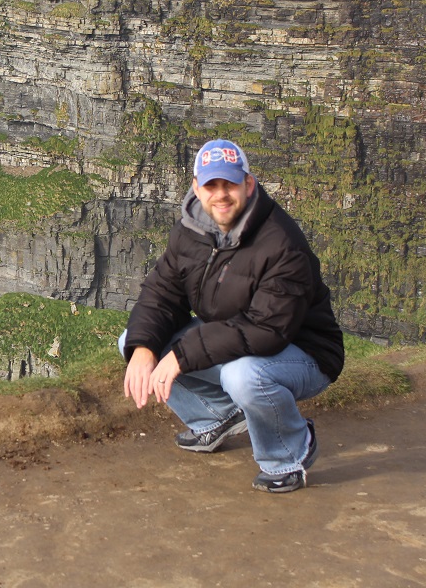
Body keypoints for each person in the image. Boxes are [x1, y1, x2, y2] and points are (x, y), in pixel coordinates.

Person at [119, 139, 344, 492]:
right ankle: (215, 416)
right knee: (133, 343)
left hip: (304, 353)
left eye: (230, 184)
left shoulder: (282, 243)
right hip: (233, 336)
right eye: (211, 185)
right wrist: (145, 348)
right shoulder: (191, 231)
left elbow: (267, 330)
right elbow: (162, 294)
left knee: (244, 377)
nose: (221, 195)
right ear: (196, 187)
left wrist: (182, 355)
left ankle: (289, 453)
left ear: (248, 184)